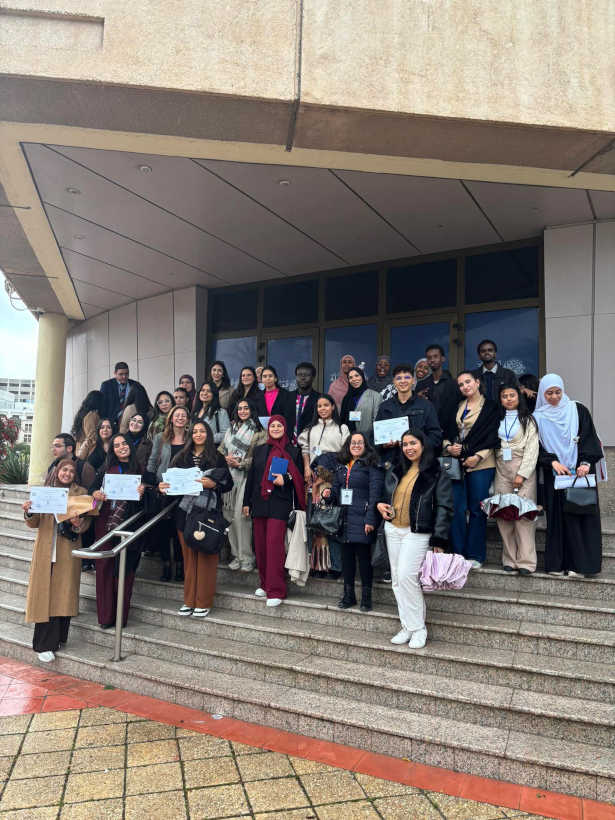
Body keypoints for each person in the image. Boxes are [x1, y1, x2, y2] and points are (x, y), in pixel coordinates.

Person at [377, 430, 453, 648]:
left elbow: (445, 507)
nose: (408, 448)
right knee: (397, 580)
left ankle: (419, 628)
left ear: (423, 444)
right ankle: (407, 626)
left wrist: (439, 539)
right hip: (393, 529)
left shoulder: (436, 471)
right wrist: (380, 505)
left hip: (417, 532)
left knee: (407, 577)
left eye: (413, 443)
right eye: (405, 444)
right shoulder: (397, 468)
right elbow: (387, 495)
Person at [22, 459, 94, 661]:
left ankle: (60, 638)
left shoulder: (80, 493)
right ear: (57, 471)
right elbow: (34, 522)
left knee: (63, 595)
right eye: (64, 469)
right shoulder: (44, 492)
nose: (67, 473)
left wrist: (78, 523)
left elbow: (86, 523)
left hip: (67, 550)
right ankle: (44, 645)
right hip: (46, 549)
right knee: (45, 596)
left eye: (71, 471)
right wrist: (29, 511)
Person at [160, 421, 232, 617]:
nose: (198, 434)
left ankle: (203, 602)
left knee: (206, 558)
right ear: (190, 435)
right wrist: (163, 487)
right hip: (184, 513)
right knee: (189, 560)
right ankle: (189, 601)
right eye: (195, 431)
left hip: (208, 513)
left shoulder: (217, 457)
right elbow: (170, 483)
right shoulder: (181, 457)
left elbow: (228, 483)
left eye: (202, 431)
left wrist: (213, 484)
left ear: (208, 434)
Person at [534, 374, 604, 577]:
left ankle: (581, 566)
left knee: (580, 517)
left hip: (579, 475)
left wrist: (585, 463)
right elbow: (534, 447)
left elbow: (589, 437)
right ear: (542, 394)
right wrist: (552, 461)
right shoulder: (537, 417)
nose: (554, 397)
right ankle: (557, 564)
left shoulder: (578, 410)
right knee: (558, 519)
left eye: (558, 392)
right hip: (556, 475)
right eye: (549, 393)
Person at [242, 416, 305, 606]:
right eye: (273, 426)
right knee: (260, 547)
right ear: (268, 428)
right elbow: (252, 478)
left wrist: (286, 479)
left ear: (285, 428)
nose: (276, 428)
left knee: (274, 546)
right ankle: (265, 583)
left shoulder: (293, 451)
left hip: (280, 503)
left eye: (279, 425)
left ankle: (276, 590)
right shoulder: (260, 449)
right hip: (259, 502)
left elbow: (298, 477)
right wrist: (246, 502)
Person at [443, 371, 499, 568]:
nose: (465, 386)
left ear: (477, 382)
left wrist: (478, 456)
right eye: (461, 384)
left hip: (481, 463)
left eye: (468, 382)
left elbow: (493, 436)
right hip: (456, 464)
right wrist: (448, 447)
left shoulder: (491, 407)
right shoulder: (457, 406)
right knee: (456, 508)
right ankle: (458, 553)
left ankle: (475, 554)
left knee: (477, 509)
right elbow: (446, 432)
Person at [323, 432, 383, 612]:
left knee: (364, 560)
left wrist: (370, 519)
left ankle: (366, 598)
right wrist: (328, 495)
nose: (356, 445)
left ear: (366, 445)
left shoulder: (372, 465)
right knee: (347, 560)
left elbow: (375, 495)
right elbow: (336, 492)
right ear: (348, 446)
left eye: (360, 442)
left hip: (363, 519)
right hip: (344, 520)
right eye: (353, 443)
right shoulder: (342, 466)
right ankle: (348, 596)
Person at [91, 434, 146, 628]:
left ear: (130, 445)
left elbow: (153, 495)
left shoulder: (141, 469)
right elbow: (92, 491)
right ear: (112, 450)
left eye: (124, 443)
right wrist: (96, 494)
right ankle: (105, 618)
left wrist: (143, 491)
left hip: (129, 524)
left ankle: (120, 618)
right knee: (104, 569)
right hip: (105, 524)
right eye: (116, 445)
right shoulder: (105, 469)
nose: (121, 447)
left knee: (125, 572)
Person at [298, 394, 350, 577]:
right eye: (319, 406)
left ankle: (334, 566)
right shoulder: (310, 429)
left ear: (333, 407)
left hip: (332, 481)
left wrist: (328, 475)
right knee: (315, 523)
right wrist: (307, 468)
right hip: (313, 480)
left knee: (331, 521)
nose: (322, 409)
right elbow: (305, 450)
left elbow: (345, 455)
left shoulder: (342, 428)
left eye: (326, 405)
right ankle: (317, 565)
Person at [494, 384, 539, 574]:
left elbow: (532, 449)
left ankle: (526, 562)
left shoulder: (528, 420)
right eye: (504, 396)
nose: (509, 399)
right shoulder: (496, 419)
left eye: (512, 395)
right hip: (501, 469)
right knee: (504, 515)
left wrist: (523, 474)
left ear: (519, 397)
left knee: (524, 516)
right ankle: (509, 559)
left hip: (523, 468)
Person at [218, 401, 266, 571]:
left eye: (246, 408)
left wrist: (241, 463)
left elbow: (261, 457)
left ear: (252, 410)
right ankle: (236, 555)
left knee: (241, 518)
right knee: (229, 517)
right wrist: (226, 459)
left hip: (247, 478)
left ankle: (247, 557)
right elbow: (221, 450)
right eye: (240, 408)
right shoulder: (230, 430)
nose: (243, 411)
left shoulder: (260, 432)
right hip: (229, 478)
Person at [146, 405, 190, 581]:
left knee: (180, 529)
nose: (180, 418)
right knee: (163, 530)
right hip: (164, 490)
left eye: (183, 415)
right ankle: (166, 564)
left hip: (185, 491)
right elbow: (152, 462)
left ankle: (179, 565)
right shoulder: (160, 438)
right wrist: (155, 484)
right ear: (171, 418)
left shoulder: (191, 438)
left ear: (187, 419)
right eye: (177, 415)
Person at [375, 364, 442, 457]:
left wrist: (417, 445)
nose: (403, 381)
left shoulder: (426, 406)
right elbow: (375, 438)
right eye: (399, 378)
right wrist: (383, 445)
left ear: (413, 381)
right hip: (392, 461)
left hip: (419, 461)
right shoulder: (384, 407)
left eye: (407, 377)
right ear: (394, 382)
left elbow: (436, 436)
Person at [416, 344, 459, 442]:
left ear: (443, 359)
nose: (432, 360)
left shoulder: (454, 384)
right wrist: (417, 399)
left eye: (435, 356)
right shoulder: (421, 385)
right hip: (427, 435)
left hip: (449, 435)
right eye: (429, 358)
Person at [340, 367, 382, 441]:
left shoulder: (375, 396)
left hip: (368, 440)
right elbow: (342, 421)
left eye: (357, 375)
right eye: (350, 377)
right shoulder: (347, 398)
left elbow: (377, 422)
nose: (354, 379)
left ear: (362, 377)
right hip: (349, 440)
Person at [255, 365, 295, 434]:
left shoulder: (286, 395)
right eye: (264, 376)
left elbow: (290, 418)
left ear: (275, 378)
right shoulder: (258, 396)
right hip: (264, 435)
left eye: (270, 376)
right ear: (261, 380)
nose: (267, 378)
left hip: (282, 433)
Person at [289, 362, 320, 441]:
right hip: (289, 444)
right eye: (299, 375)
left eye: (307, 375)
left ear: (313, 377)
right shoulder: (287, 397)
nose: (303, 378)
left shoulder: (319, 398)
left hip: (310, 442)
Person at [72, 390, 105, 460]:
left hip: (79, 449)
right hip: (87, 453)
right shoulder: (92, 415)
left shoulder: (82, 414)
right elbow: (91, 436)